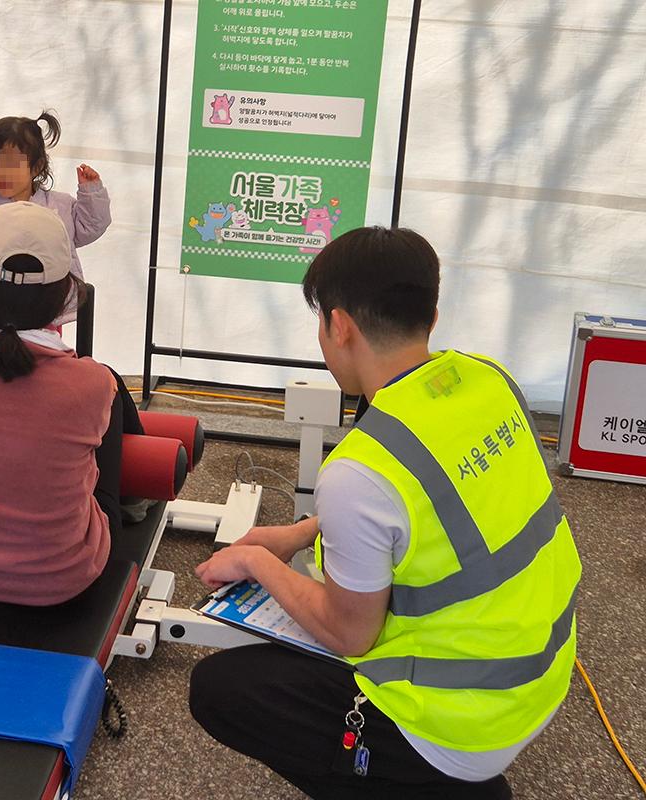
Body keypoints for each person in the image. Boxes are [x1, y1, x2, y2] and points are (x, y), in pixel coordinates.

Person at [188, 226, 581, 799]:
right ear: (433, 313)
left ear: (339, 325)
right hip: (541, 672)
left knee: (221, 689)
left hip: (456, 724)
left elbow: (351, 634)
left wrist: (256, 562)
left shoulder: (358, 469)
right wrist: (301, 533)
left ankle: (423, 784)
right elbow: (435, 500)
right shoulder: (488, 381)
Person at [0, 202, 142, 606]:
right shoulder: (92, 382)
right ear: (70, 292)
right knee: (111, 394)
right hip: (67, 577)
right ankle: (136, 501)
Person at [0, 112, 111, 328]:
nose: (2, 172)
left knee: (41, 359)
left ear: (36, 167)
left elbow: (91, 226)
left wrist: (91, 193)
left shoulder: (60, 207)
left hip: (48, 311)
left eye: (12, 164)